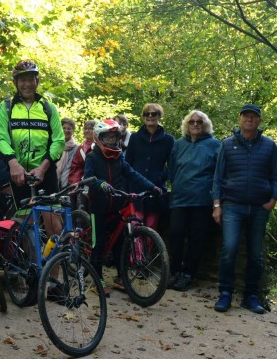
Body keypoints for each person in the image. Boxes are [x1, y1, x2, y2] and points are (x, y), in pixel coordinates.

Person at [212, 104, 277, 314]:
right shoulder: (227, 144)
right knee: (230, 248)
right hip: (232, 205)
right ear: (240, 119)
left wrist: (273, 198)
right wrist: (217, 205)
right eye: (246, 116)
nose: (249, 120)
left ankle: (250, 297)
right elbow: (218, 177)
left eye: (254, 117)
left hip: (260, 207)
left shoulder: (269, 146)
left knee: (255, 254)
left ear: (259, 121)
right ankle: (225, 294)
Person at [84, 119, 161, 297]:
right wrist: (100, 183)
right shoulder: (92, 157)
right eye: (107, 137)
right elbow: (88, 177)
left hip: (118, 206)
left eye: (114, 137)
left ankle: (121, 277)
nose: (111, 141)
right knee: (99, 243)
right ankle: (97, 279)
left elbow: (132, 174)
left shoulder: (119, 157)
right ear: (99, 138)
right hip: (99, 207)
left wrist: (151, 187)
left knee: (120, 243)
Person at [0, 59, 65, 246]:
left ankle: (52, 275)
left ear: (37, 81)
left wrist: (43, 168)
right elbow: (1, 138)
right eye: (22, 79)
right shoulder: (6, 107)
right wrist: (13, 164)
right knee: (27, 229)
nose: (27, 84)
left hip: (45, 173)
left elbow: (58, 140)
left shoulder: (48, 108)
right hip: (19, 174)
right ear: (15, 83)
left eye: (31, 79)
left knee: (54, 229)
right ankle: (31, 272)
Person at [166, 110, 221, 291]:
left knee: (197, 238)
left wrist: (216, 201)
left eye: (199, 122)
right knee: (176, 234)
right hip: (180, 198)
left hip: (201, 199)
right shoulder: (179, 144)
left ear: (205, 125)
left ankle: (188, 274)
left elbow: (219, 173)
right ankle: (174, 272)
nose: (195, 124)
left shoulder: (214, 145)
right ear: (187, 125)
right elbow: (172, 169)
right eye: (192, 122)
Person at [125, 103, 174, 234]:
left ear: (159, 116)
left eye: (154, 114)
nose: (150, 116)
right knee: (135, 229)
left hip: (156, 190)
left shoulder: (168, 140)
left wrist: (160, 177)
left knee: (151, 230)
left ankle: (148, 255)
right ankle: (136, 255)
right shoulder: (135, 138)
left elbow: (172, 167)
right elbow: (127, 163)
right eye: (147, 114)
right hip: (136, 190)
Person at [67, 119, 95, 210]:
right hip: (80, 181)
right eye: (85, 128)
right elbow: (75, 166)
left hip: (94, 180)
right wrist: (75, 181)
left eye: (90, 128)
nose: (87, 130)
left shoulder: (99, 146)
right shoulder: (80, 148)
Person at [56, 117, 78, 189]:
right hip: (53, 180)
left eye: (69, 128)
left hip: (67, 184)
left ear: (73, 131)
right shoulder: (54, 145)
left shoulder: (76, 148)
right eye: (64, 128)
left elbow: (71, 167)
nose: (66, 130)